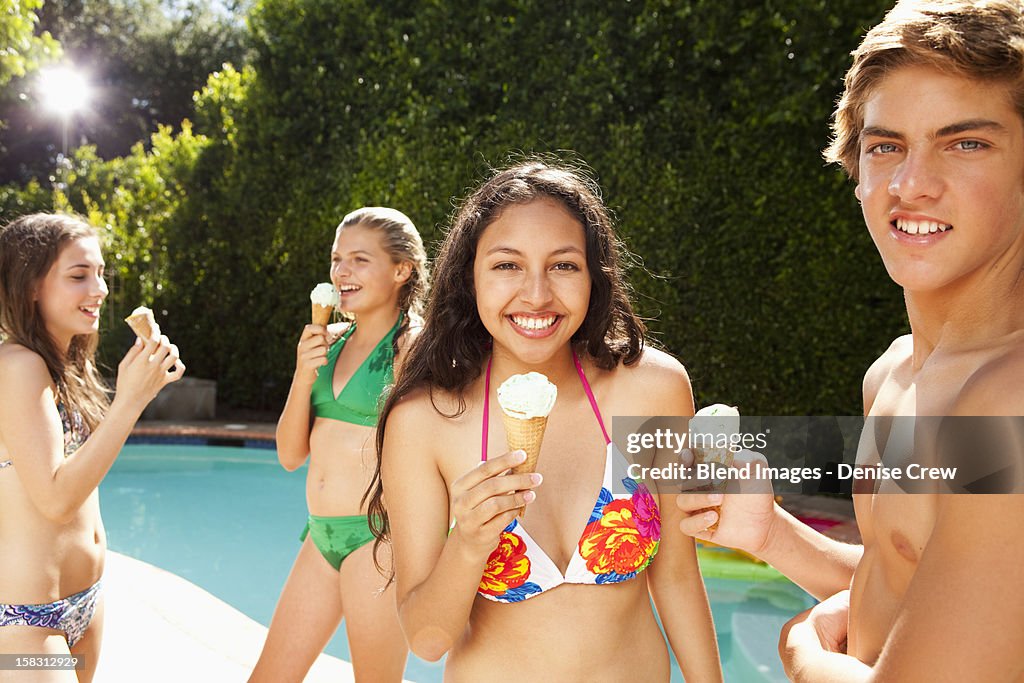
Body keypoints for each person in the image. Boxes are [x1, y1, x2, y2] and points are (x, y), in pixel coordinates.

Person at [677, 1, 1024, 680]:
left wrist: (804, 657)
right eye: (886, 145)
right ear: (855, 168)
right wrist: (772, 532)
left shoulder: (1006, 404)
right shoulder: (894, 373)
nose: (911, 184)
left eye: (966, 142)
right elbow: (918, 585)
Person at [366, 159, 722, 681]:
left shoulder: (655, 388)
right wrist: (466, 544)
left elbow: (678, 579)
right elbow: (427, 640)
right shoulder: (425, 421)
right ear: (472, 276)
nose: (536, 294)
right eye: (507, 265)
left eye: (563, 265)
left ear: (593, 275)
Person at [0, 213, 185, 682]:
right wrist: (132, 398)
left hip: (84, 606)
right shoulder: (17, 365)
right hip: (25, 620)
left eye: (100, 273)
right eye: (79, 275)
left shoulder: (68, 362)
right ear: (31, 286)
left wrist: (144, 383)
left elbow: (85, 468)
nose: (99, 288)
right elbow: (57, 499)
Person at [250, 207, 428, 683]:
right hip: (319, 535)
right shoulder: (327, 338)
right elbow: (290, 456)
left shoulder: (412, 347)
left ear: (401, 269)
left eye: (359, 260)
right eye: (336, 259)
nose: (341, 272)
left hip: (377, 539)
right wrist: (303, 372)